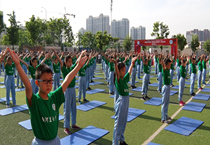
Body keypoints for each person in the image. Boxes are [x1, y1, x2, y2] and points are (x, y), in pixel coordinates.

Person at [9, 48, 87, 145]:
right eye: (45, 81)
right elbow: (28, 87)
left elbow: (66, 81)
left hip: (55, 140)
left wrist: (78, 66)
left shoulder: (54, 97)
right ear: (37, 83)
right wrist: (17, 65)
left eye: (50, 81)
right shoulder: (35, 101)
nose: (48, 84)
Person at [113, 54, 137, 145]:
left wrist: (132, 63)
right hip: (122, 101)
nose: (124, 72)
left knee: (123, 122)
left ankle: (121, 140)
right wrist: (116, 64)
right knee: (118, 123)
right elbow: (117, 72)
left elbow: (130, 72)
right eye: (123, 70)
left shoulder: (124, 79)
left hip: (126, 101)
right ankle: (115, 142)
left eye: (124, 70)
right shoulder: (118, 80)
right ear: (119, 71)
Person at [59, 50, 84, 135]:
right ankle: (66, 126)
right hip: (67, 90)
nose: (70, 63)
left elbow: (78, 63)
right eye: (68, 62)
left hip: (73, 89)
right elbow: (61, 63)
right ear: (65, 62)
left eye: (71, 62)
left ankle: (73, 124)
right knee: (67, 108)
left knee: (74, 107)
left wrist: (81, 54)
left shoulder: (72, 68)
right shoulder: (64, 70)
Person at [161, 58, 172, 123]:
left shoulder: (168, 70)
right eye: (169, 65)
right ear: (166, 65)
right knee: (164, 103)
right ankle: (163, 119)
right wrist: (163, 63)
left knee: (167, 103)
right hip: (165, 87)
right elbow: (163, 67)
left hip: (168, 87)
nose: (170, 66)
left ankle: (165, 115)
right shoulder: (164, 70)